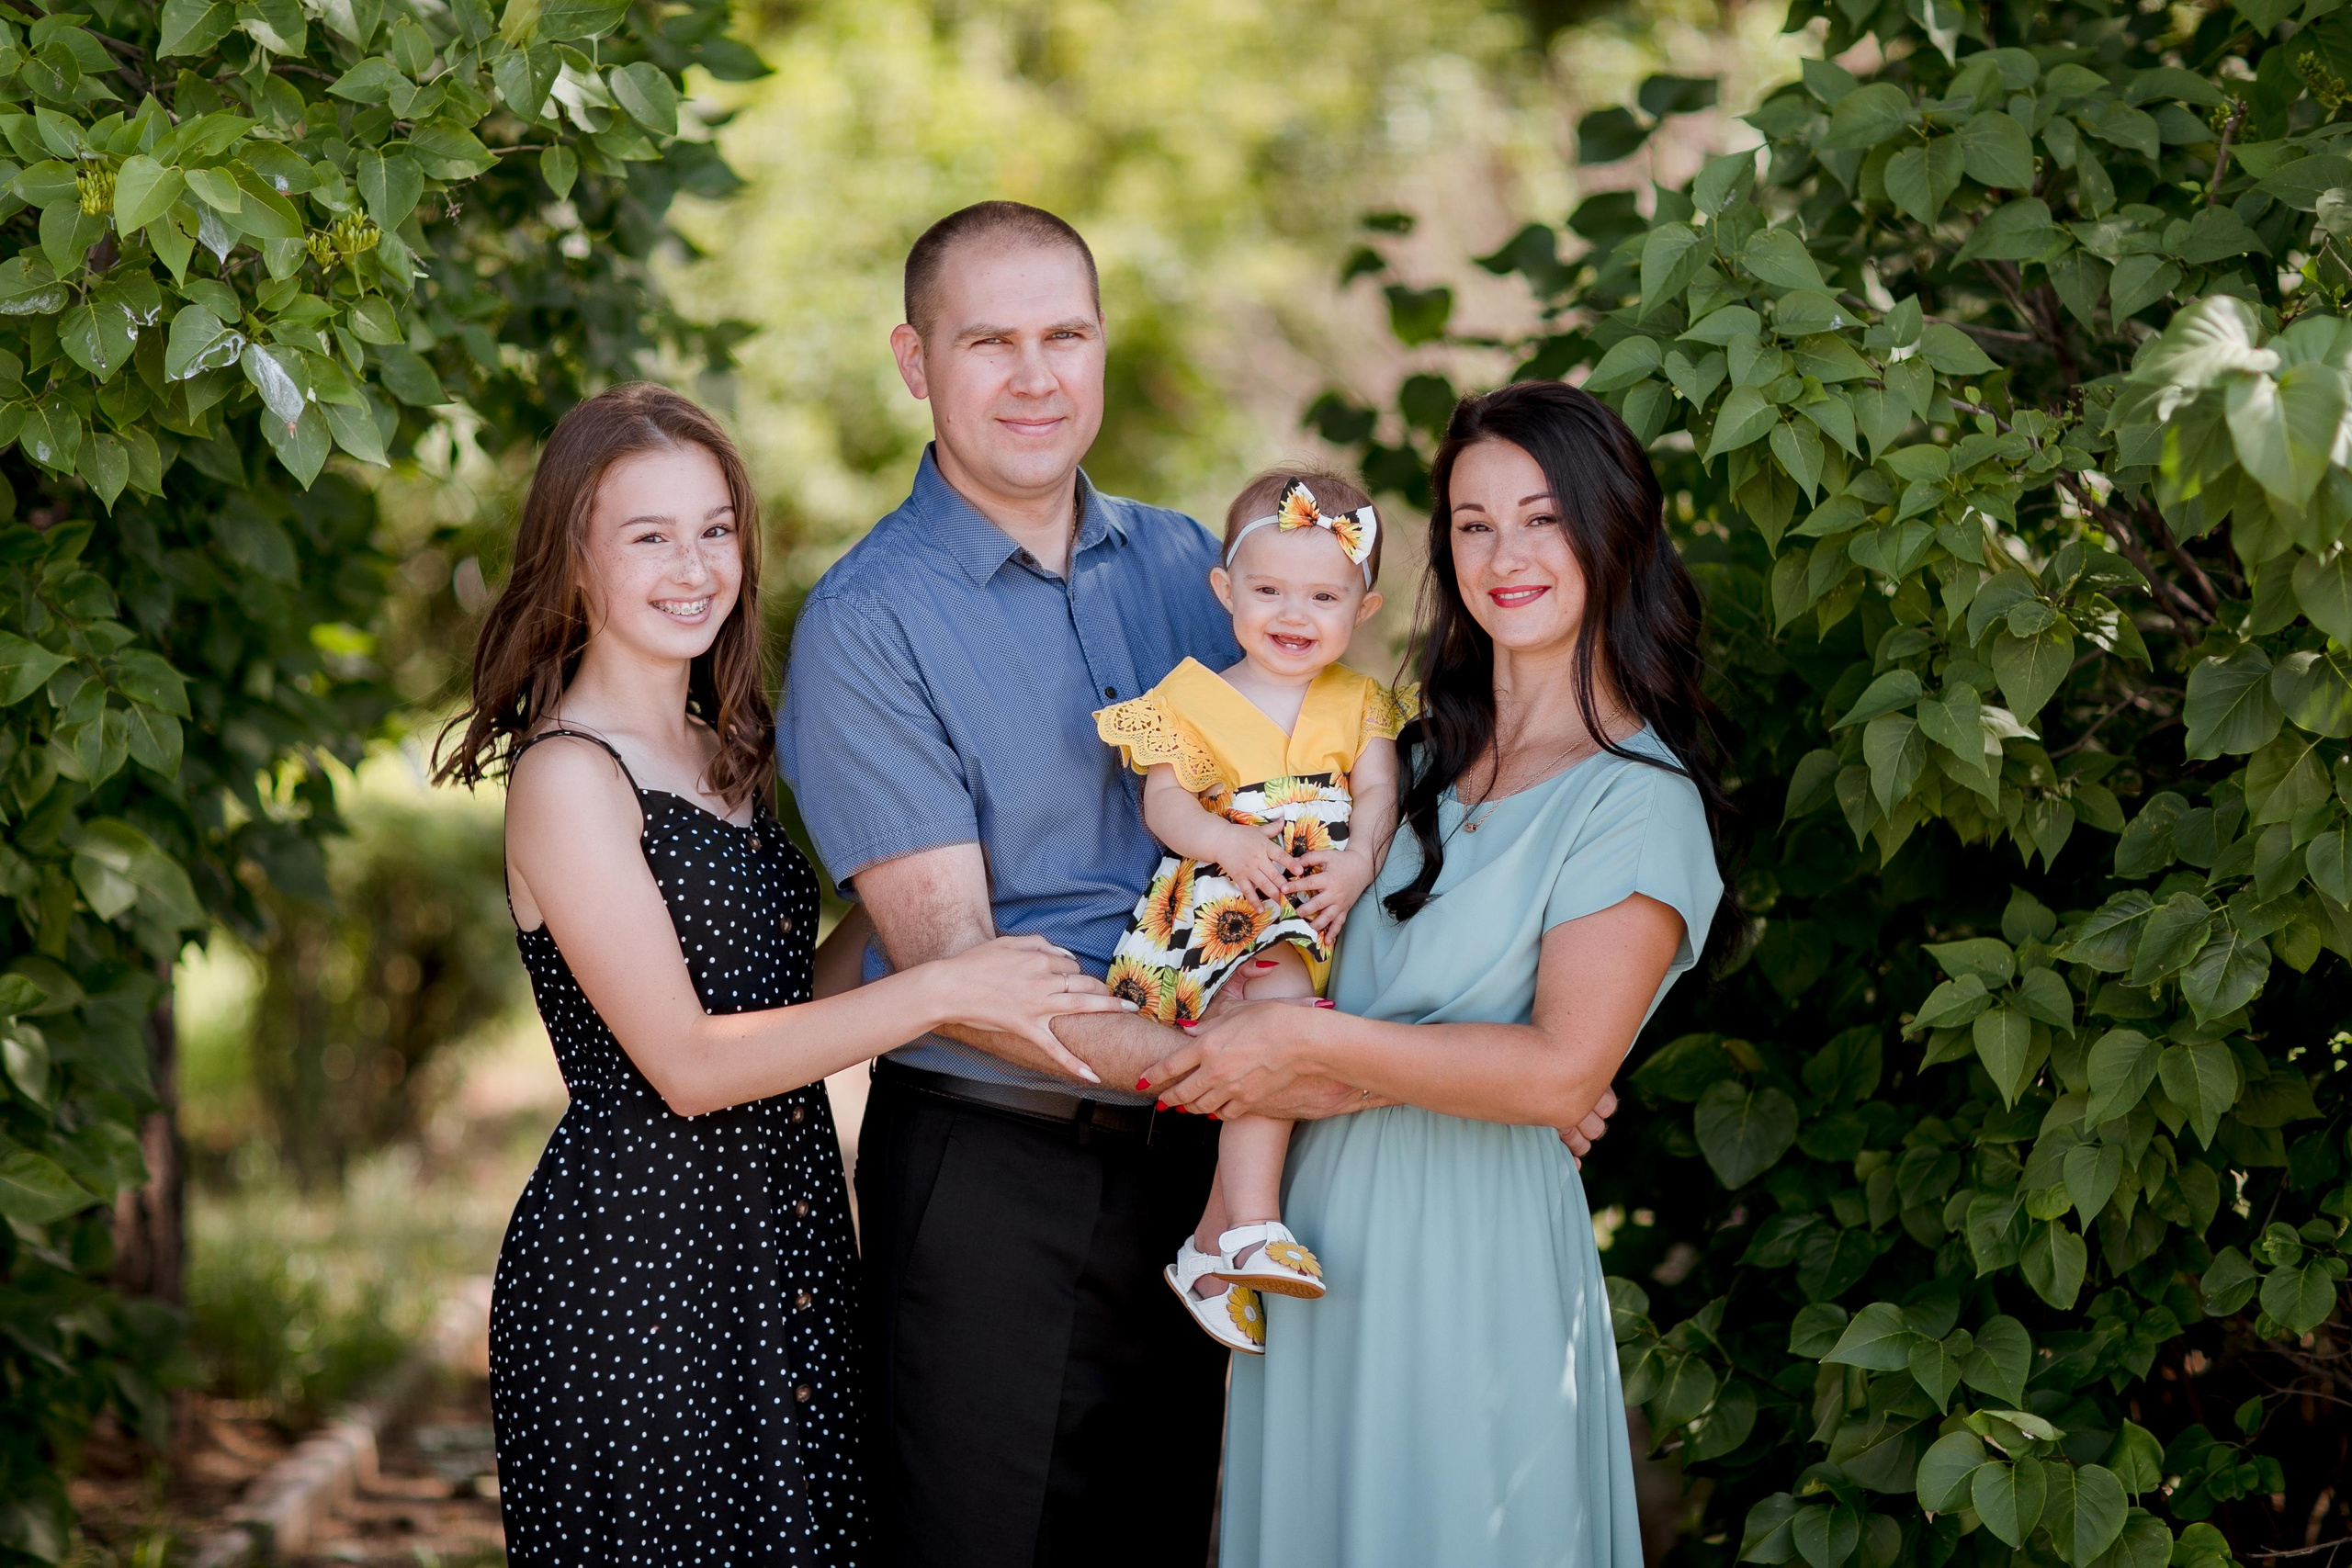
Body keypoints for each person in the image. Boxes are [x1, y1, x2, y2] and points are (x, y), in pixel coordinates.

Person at [437, 382, 1130, 1566]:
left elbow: (786, 1013)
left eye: (714, 530)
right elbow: (691, 1066)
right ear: (576, 560)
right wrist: (947, 988)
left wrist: (923, 865)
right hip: (638, 1272)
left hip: (783, 1242)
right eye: (647, 536)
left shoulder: (730, 755)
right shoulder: (568, 777)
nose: (693, 566)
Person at [1144, 379, 1732, 1568]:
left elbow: (1561, 1069)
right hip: (1307, 1246)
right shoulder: (1396, 766)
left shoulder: (1637, 797)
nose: (1505, 553)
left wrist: (1342, 1052)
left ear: (1612, 529)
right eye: (1473, 521)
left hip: (1477, 1260)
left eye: (1543, 516)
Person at [1092, 468, 1413, 1353]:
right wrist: (1228, 843)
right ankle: (1250, 1229)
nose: (1292, 613)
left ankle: (1205, 1247)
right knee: (1276, 1034)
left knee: (1290, 1042)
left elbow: (1380, 794)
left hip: (1320, 902)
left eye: (1323, 594)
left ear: (1365, 605)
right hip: (1231, 901)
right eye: (1267, 590)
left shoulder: (1361, 701)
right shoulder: (1188, 696)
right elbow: (1166, 806)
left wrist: (1356, 863)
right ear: (1225, 592)